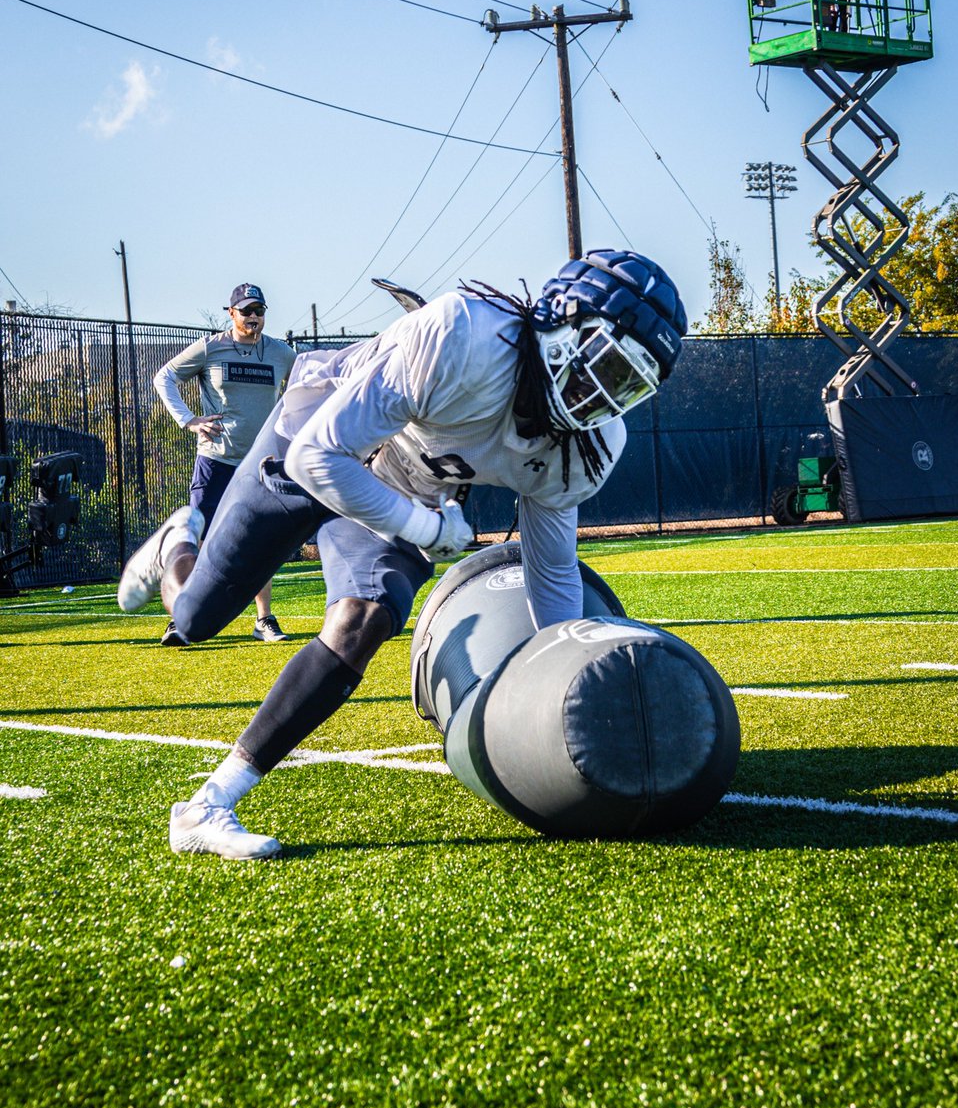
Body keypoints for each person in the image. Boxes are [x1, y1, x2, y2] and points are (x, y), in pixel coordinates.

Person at [118, 249, 687, 859]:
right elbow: (318, 457)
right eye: (604, 365)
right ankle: (177, 542)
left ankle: (207, 804)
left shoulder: (592, 444)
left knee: (365, 618)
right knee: (195, 618)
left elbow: (551, 573)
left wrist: (561, 685)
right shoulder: (464, 336)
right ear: (559, 325)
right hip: (307, 446)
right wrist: (424, 526)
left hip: (402, 487)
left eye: (629, 384)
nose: (602, 394)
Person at [152, 282, 297, 645]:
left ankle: (264, 620)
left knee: (261, 540)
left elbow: (304, 388)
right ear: (231, 313)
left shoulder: (281, 354)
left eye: (259, 311)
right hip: (215, 461)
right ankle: (182, 619)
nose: (253, 317)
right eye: (246, 310)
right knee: (199, 539)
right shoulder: (210, 348)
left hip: (261, 463)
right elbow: (164, 377)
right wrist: (188, 420)